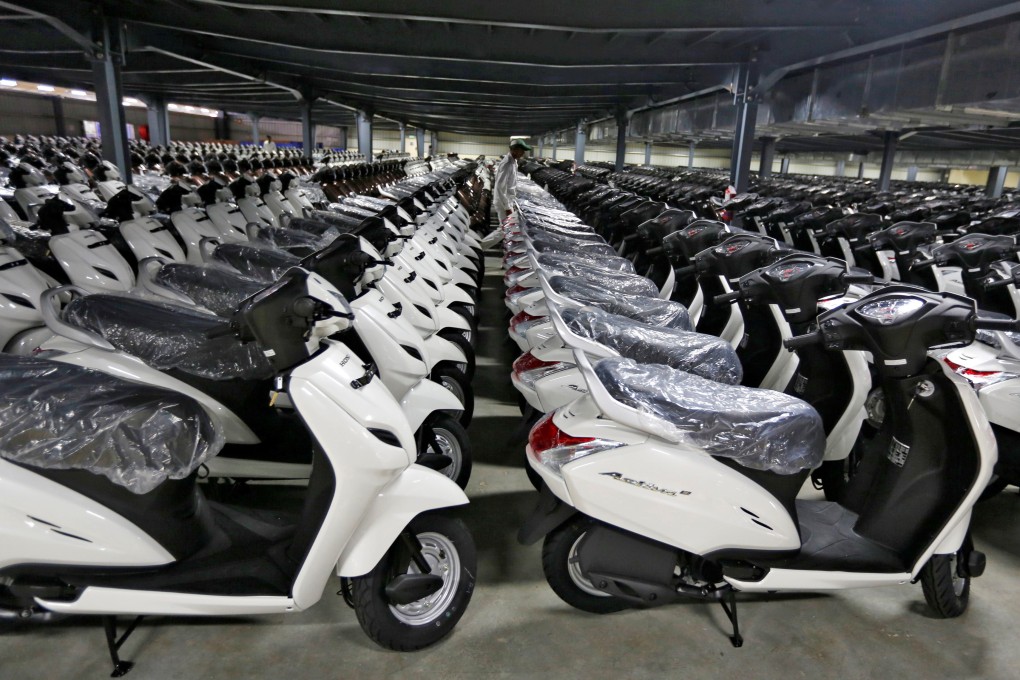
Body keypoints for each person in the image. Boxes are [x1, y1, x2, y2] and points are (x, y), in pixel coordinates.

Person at [493, 138, 531, 220]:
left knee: (507, 228)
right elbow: (500, 186)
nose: (523, 153)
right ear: (515, 150)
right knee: (506, 228)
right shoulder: (507, 164)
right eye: (522, 150)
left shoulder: (514, 162)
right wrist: (507, 207)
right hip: (503, 203)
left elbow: (511, 183)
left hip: (508, 200)